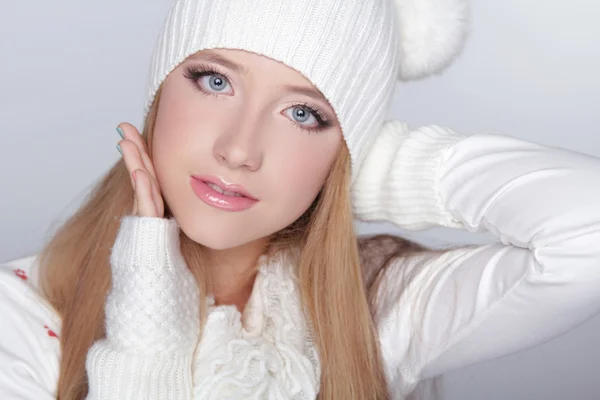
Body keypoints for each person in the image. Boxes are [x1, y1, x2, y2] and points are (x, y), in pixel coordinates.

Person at [1, 0, 599, 399]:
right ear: (160, 92)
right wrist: (147, 347)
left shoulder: (374, 309)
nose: (239, 149)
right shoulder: (18, 320)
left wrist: (379, 165)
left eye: (303, 113)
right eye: (215, 80)